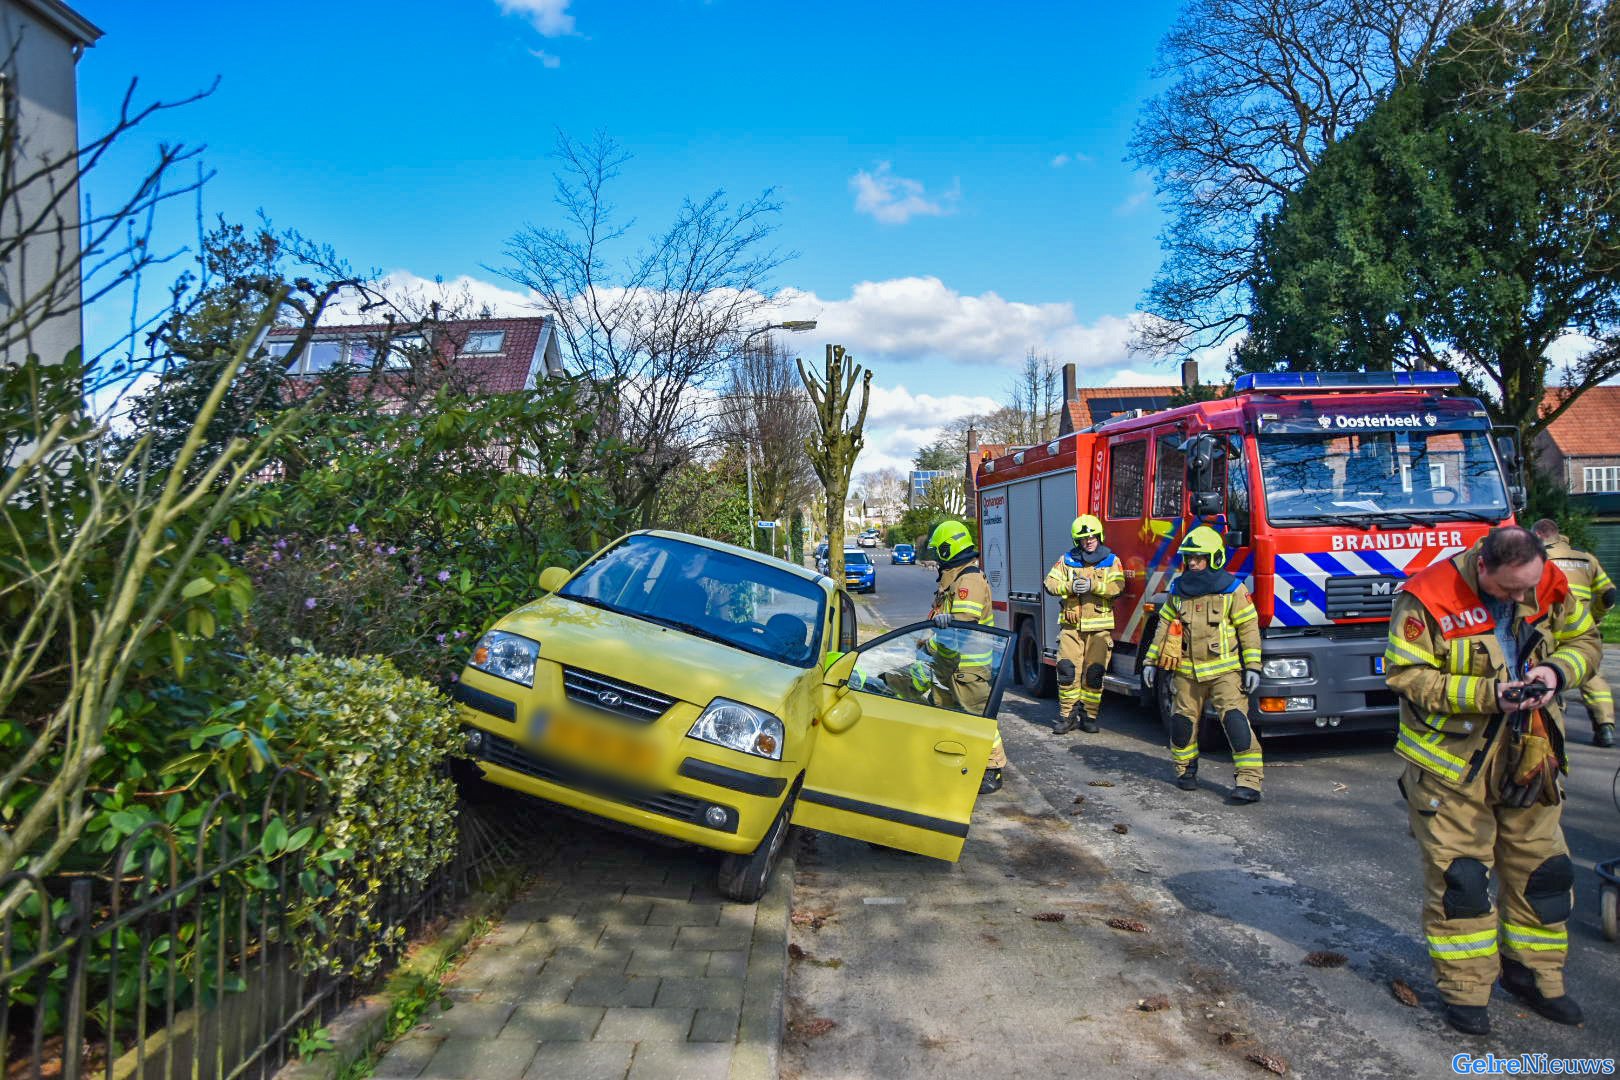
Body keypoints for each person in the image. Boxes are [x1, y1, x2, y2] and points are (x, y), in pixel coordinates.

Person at [1383, 526, 1600, 1037]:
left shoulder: (1548, 583)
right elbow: (1406, 676)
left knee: (1543, 872)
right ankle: (1466, 992)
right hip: (1451, 768)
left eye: (1529, 586)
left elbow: (1585, 641)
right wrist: (1490, 694)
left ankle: (1535, 976)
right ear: (1483, 566)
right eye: (1510, 590)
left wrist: (1553, 674)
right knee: (1463, 882)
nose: (1523, 598)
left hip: (1531, 754)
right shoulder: (1426, 597)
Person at [1141, 526, 1264, 802]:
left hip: (1225, 672)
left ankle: (1249, 782)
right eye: (1189, 558)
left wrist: (1253, 666)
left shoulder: (1234, 590)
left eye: (1199, 558)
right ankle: (1185, 771)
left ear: (1214, 558)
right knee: (1182, 725)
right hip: (1186, 673)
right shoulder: (1179, 590)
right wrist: (1150, 661)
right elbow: (1163, 626)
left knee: (1236, 724)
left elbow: (1249, 629)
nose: (1193, 563)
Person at [924, 519, 1006, 794]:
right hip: (953, 667)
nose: (936, 559)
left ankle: (992, 770)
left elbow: (963, 622)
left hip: (968, 669)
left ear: (948, 550)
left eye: (938, 552)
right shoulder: (955, 577)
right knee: (953, 719)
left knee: (977, 720)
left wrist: (939, 637)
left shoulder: (968, 579)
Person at [1531, 518, 1615, 747]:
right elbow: (1608, 594)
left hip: (1548, 626)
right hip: (1580, 627)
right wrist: (1595, 617)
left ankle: (1546, 732)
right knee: (1590, 675)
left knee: (1542, 672)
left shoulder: (1540, 559)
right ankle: (1605, 726)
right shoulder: (1586, 559)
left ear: (1538, 535)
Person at [1043, 514, 1125, 735]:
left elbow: (1118, 586)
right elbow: (1049, 583)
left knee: (1094, 675)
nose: (1088, 541)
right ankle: (1067, 717)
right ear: (1076, 541)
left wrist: (1093, 585)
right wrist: (1069, 586)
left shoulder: (1111, 560)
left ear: (1099, 536)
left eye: (1092, 537)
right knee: (1067, 672)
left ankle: (1089, 716)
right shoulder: (1067, 560)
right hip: (1072, 629)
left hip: (1099, 630)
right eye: (1083, 538)